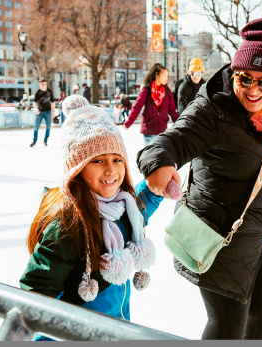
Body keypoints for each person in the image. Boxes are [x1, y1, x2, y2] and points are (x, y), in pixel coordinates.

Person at [136, 18, 262, 340]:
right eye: (244, 79)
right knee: (228, 329)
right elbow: (169, 141)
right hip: (221, 239)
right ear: (233, 72)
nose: (253, 90)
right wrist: (158, 163)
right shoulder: (211, 110)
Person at [19, 95, 163, 340]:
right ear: (77, 168)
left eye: (117, 160)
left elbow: (139, 209)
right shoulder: (68, 223)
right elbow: (38, 291)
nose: (110, 170)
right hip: (78, 332)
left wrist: (154, 188)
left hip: (115, 325)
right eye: (97, 161)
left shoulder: (123, 205)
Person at [123, 63, 179, 146]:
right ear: (157, 75)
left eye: (167, 76)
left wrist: (180, 124)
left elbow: (172, 111)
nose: (166, 78)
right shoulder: (147, 90)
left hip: (162, 131)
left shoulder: (167, 91)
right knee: (150, 158)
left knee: (161, 157)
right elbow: (137, 107)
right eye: (164, 75)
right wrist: (129, 122)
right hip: (149, 132)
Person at [30, 79, 55, 147]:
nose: (44, 86)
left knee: (48, 126)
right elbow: (34, 102)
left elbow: (53, 102)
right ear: (39, 84)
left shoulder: (49, 92)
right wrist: (35, 109)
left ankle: (45, 140)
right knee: (36, 127)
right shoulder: (38, 92)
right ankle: (34, 140)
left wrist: (53, 112)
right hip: (40, 112)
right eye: (42, 84)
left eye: (45, 84)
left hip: (48, 111)